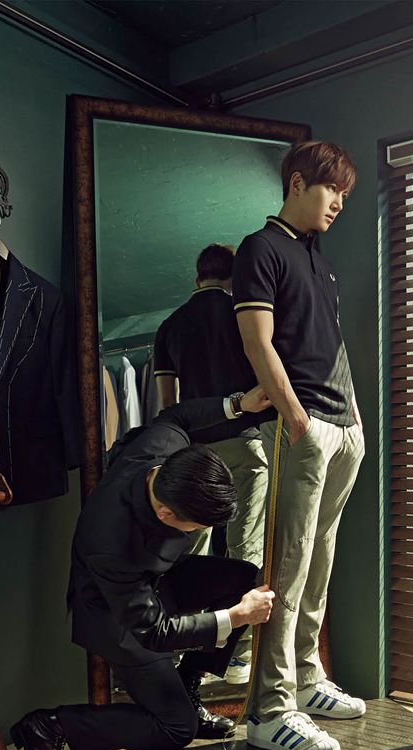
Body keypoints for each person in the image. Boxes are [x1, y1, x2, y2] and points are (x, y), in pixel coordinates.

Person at [10, 388, 275, 750]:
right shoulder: (111, 541)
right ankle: (49, 726)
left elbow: (177, 417)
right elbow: (152, 631)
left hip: (160, 579)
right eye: (199, 526)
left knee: (241, 578)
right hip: (117, 617)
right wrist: (236, 617)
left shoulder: (161, 447)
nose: (203, 531)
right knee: (176, 729)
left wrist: (239, 404)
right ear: (167, 513)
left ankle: (188, 687)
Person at [233, 140, 366, 750]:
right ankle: (269, 711)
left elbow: (328, 342)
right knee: (286, 569)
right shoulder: (260, 249)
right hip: (304, 428)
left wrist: (353, 419)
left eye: (344, 194)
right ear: (296, 183)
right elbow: (258, 343)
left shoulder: (318, 259)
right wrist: (296, 420)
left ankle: (308, 680)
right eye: (331, 189)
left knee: (320, 563)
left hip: (343, 426)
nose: (338, 202)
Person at [153, 243, 268, 684]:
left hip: (196, 452)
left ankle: (183, 642)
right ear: (234, 279)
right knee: (245, 549)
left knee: (190, 549)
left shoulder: (170, 326)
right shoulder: (243, 315)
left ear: (196, 278)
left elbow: (168, 406)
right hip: (244, 443)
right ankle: (237, 655)